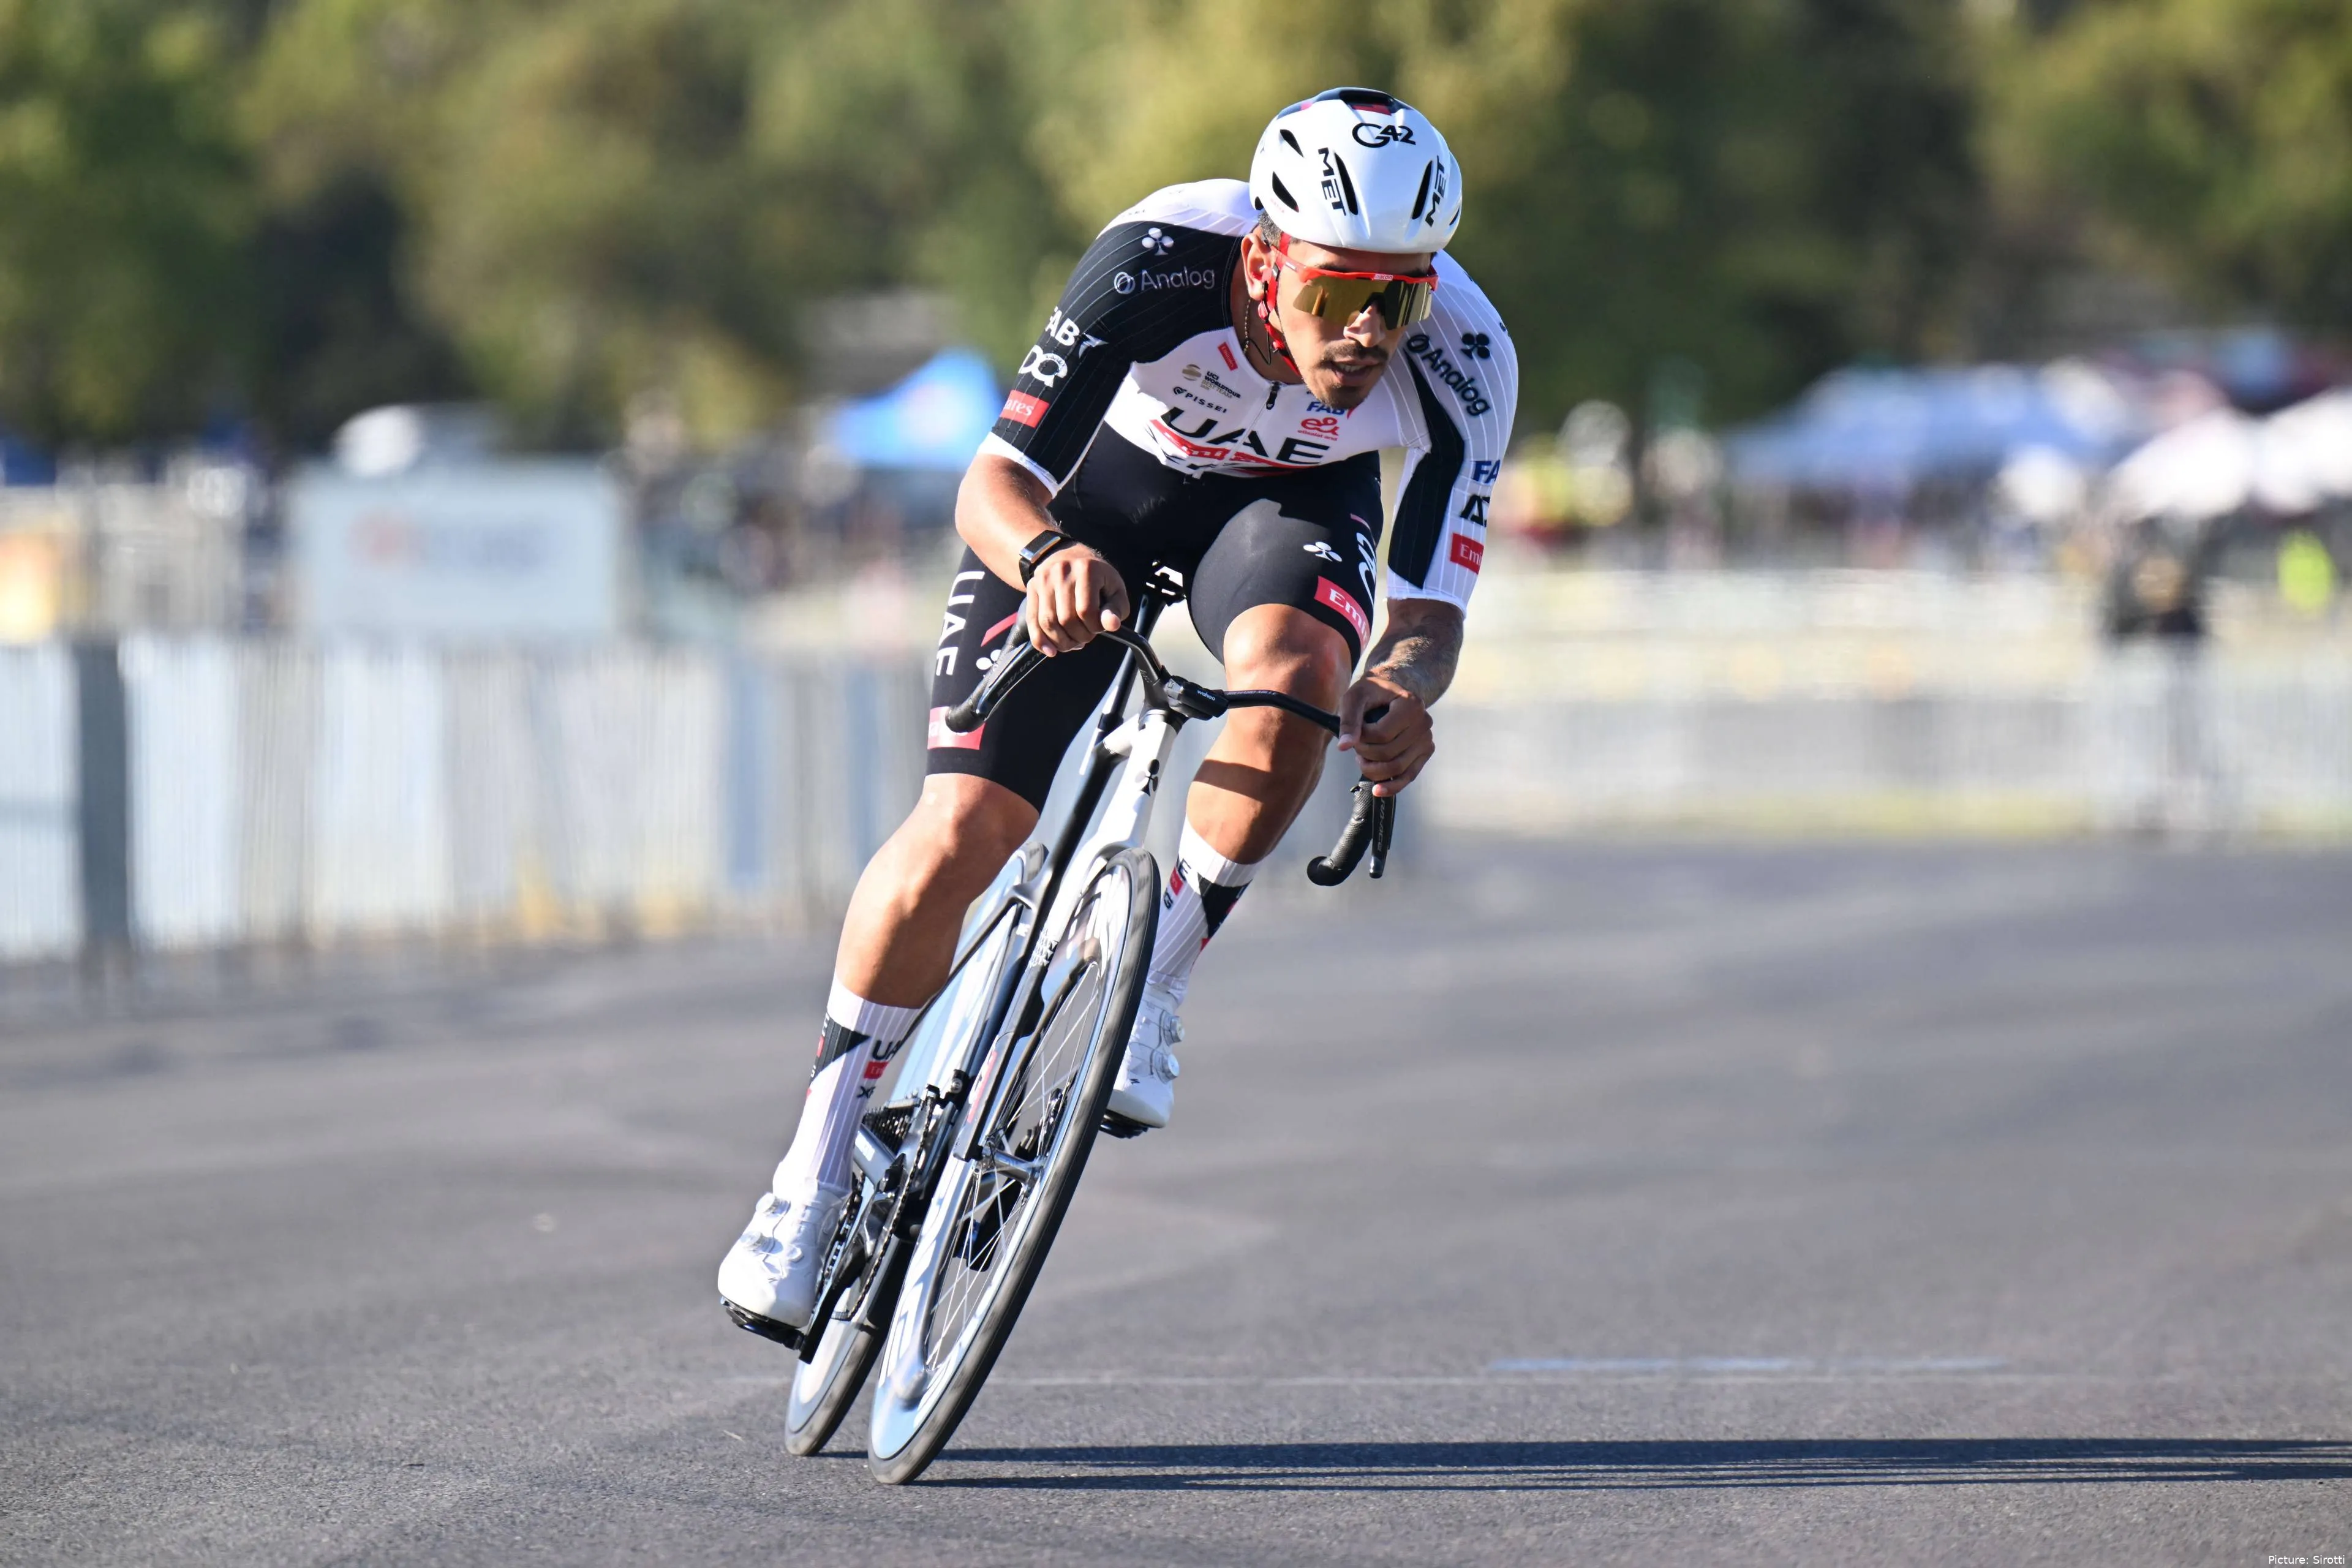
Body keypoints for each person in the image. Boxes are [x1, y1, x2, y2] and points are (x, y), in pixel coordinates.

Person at [718, 88, 1518, 1333]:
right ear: (1264, 259)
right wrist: (1043, 559)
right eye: (1332, 294)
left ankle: (1153, 976)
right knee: (965, 828)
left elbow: (1429, 604)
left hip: (1290, 514)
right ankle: (807, 1177)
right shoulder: (1158, 258)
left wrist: (1402, 687)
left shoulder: (1466, 354)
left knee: (1302, 680)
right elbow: (994, 477)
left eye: (1396, 298)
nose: (1366, 332)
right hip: (1093, 501)